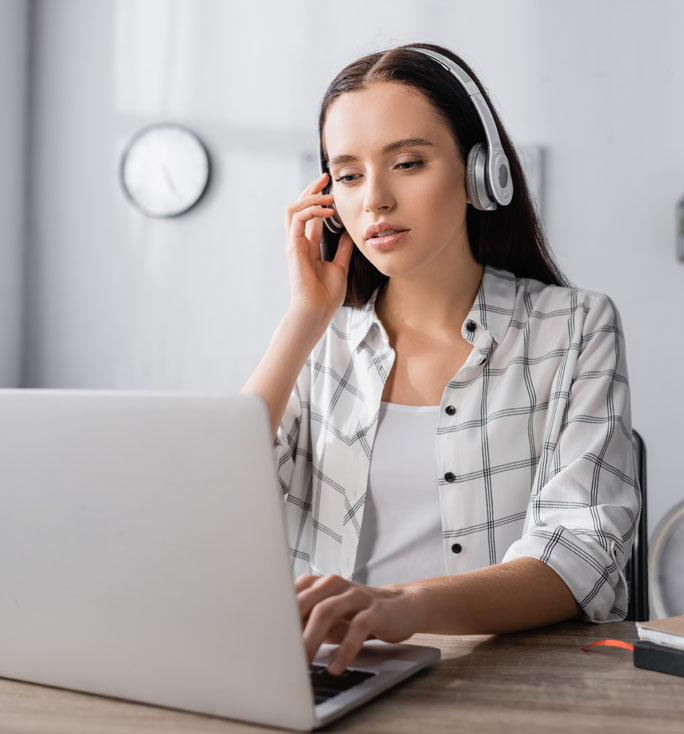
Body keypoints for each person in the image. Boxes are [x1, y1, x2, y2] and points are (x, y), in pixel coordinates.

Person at [241, 43, 640, 677]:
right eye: (347, 175)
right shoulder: (320, 342)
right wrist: (301, 322)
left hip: (495, 684)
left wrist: (401, 604)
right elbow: (225, 502)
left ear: (481, 174)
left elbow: (582, 556)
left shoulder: (574, 327)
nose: (374, 200)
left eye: (407, 162)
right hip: (324, 676)